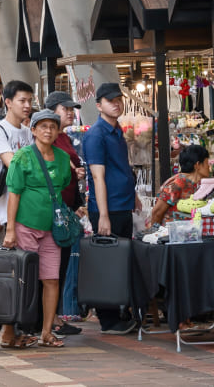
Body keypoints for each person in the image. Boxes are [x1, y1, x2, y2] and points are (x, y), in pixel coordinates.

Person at [1, 109, 73, 349]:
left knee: (51, 279)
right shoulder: (22, 157)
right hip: (25, 226)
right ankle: (14, 331)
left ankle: (46, 331)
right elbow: (14, 194)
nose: (48, 130)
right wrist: (10, 229)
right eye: (42, 126)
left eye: (53, 126)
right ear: (32, 130)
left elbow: (62, 186)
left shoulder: (63, 158)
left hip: (52, 228)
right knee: (25, 280)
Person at [82, 82, 138, 334]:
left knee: (120, 262)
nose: (116, 103)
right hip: (108, 208)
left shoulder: (117, 131)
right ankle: (108, 318)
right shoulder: (96, 134)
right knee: (107, 263)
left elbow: (122, 167)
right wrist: (103, 214)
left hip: (122, 204)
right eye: (110, 100)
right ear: (98, 105)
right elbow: (97, 177)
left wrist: (133, 194)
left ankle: (120, 312)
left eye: (119, 99)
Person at [44, 91, 85, 338]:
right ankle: (52, 318)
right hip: (55, 209)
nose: (70, 112)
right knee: (54, 265)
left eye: (72, 109)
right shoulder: (49, 140)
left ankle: (57, 315)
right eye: (65, 108)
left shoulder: (65, 138)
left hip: (68, 207)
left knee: (63, 263)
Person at [0, 80, 34, 241]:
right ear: (8, 102)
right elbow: (14, 164)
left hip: (30, 205)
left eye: (30, 100)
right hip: (9, 208)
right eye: (22, 101)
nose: (27, 105)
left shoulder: (28, 132)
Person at [149, 144, 214, 225]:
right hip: (170, 234)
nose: (209, 166)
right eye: (207, 162)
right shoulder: (178, 183)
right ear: (197, 165)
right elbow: (157, 213)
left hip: (189, 233)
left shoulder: (197, 184)